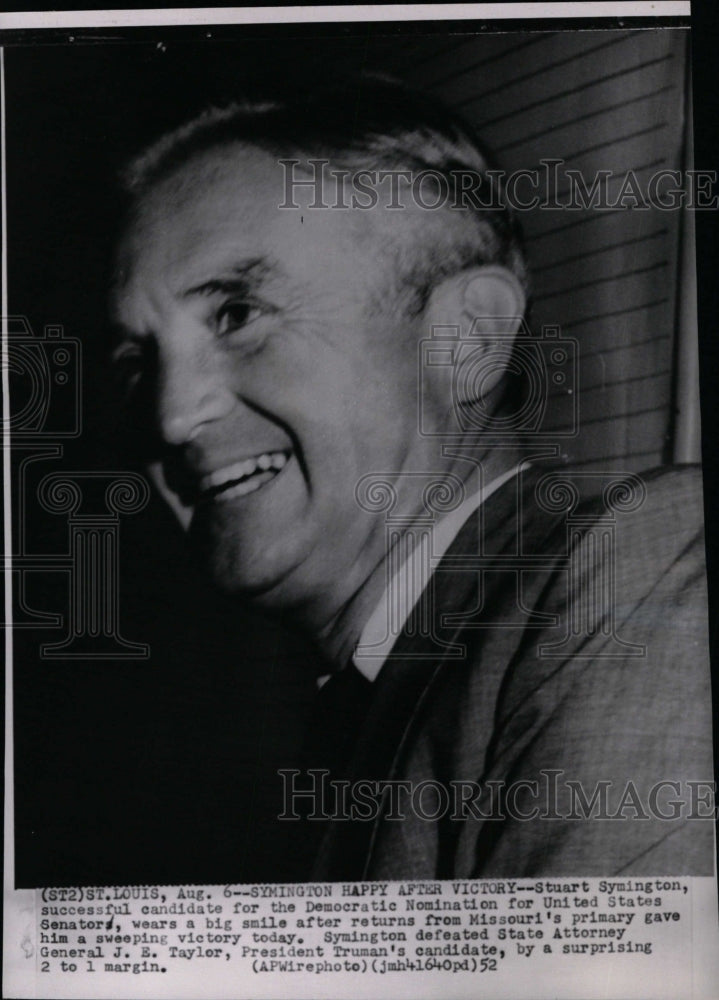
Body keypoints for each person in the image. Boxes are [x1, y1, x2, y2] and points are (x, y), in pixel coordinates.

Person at [110, 77, 714, 880]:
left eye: (236, 314)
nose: (170, 416)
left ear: (465, 339)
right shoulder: (357, 716)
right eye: (138, 361)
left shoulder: (636, 570)